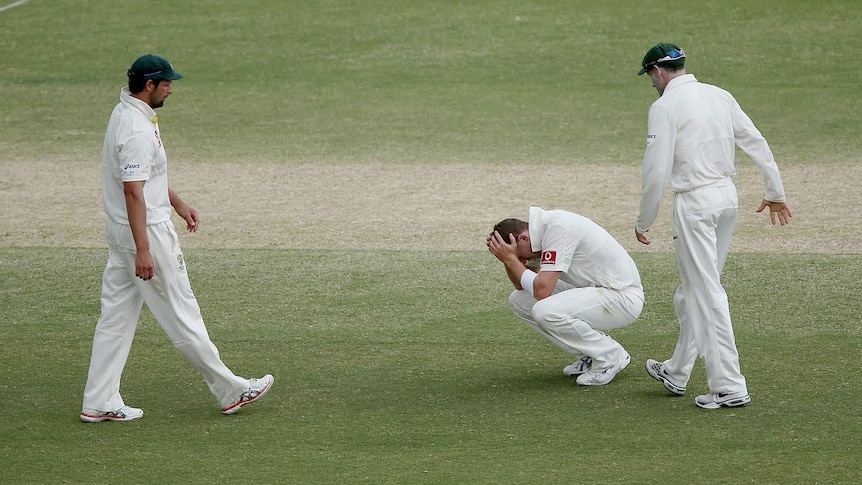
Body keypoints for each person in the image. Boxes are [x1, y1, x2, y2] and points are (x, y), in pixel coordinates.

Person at [81, 54, 273, 422]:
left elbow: (147, 178)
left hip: (124, 230)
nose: (171, 88)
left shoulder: (126, 113)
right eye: (167, 83)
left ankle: (99, 399)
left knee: (115, 318)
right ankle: (231, 389)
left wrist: (178, 202)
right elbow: (134, 192)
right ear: (149, 85)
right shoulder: (136, 130)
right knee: (181, 313)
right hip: (146, 232)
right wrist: (144, 250)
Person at [634, 43, 792, 409]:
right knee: (694, 290)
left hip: (694, 203)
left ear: (657, 71)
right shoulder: (720, 95)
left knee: (706, 293)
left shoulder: (664, 107)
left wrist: (644, 219)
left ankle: (729, 386)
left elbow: (656, 171)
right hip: (727, 199)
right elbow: (755, 141)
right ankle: (677, 370)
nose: (652, 85)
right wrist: (776, 192)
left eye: (650, 78)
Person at [487, 207, 644, 386]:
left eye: (522, 257)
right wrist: (508, 259)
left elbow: (542, 290)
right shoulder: (538, 236)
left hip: (622, 297)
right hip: (596, 291)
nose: (524, 261)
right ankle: (590, 355)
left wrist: (511, 259)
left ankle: (610, 356)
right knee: (519, 300)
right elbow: (521, 285)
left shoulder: (558, 229)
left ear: (523, 238)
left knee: (544, 311)